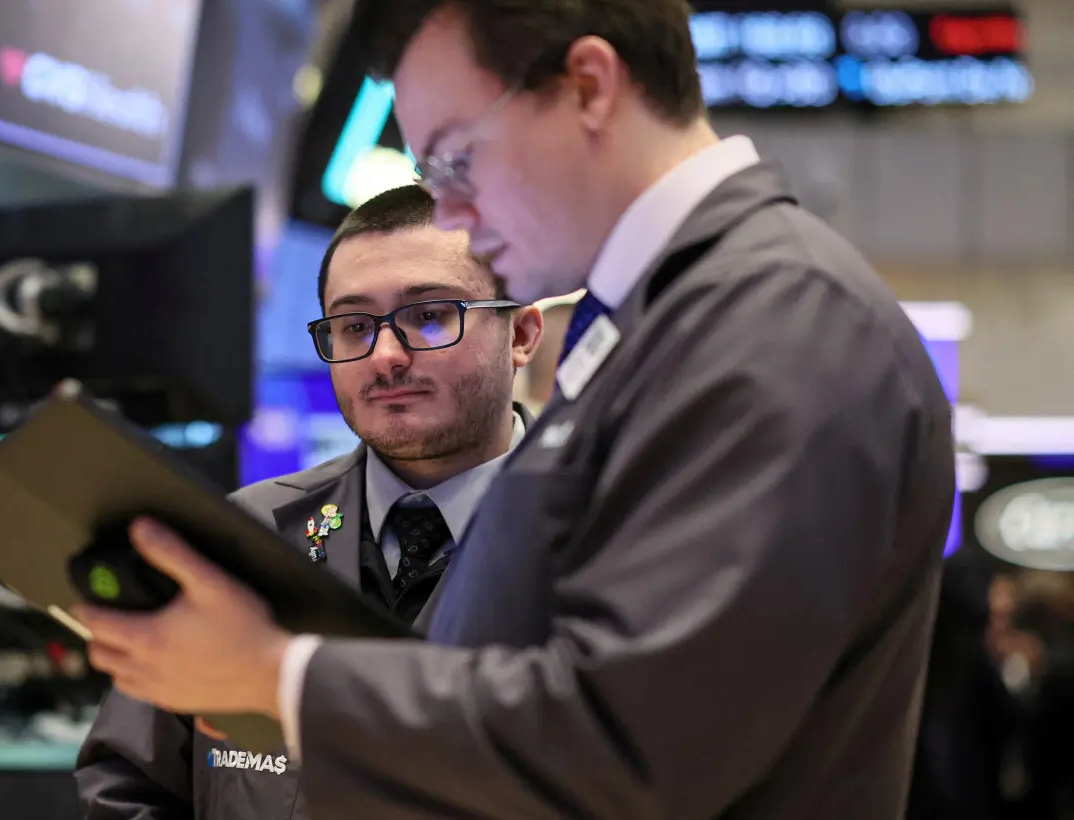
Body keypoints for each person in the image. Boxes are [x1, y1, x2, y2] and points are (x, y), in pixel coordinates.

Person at [73, 2, 957, 818]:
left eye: (457, 157)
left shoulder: (775, 320)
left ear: (589, 86)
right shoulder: (669, 322)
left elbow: (632, 747)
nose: (451, 209)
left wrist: (277, 675)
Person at [72, 184, 542, 819]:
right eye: (353, 327)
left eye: (429, 316)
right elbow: (127, 786)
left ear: (520, 333)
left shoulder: (603, 543)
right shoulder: (244, 536)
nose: (386, 356)